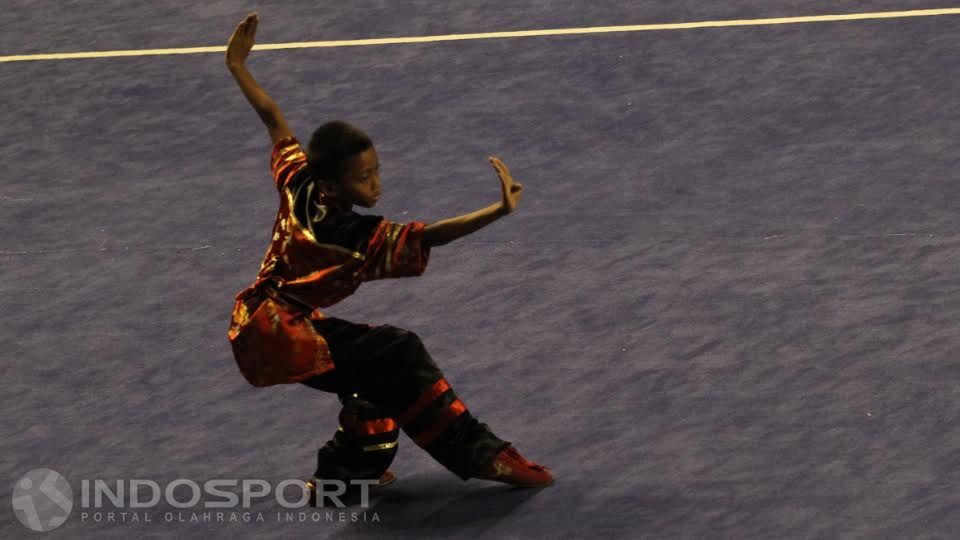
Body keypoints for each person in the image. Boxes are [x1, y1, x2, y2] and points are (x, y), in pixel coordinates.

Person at [223, 13, 554, 495]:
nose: (376, 183)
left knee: (373, 376)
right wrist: (497, 211)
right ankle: (483, 457)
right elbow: (430, 236)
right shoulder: (348, 234)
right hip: (280, 336)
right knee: (399, 353)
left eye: (376, 170)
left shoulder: (298, 179)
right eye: (363, 178)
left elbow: (273, 118)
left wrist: (236, 64)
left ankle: (345, 476)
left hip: (261, 321)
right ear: (334, 183)